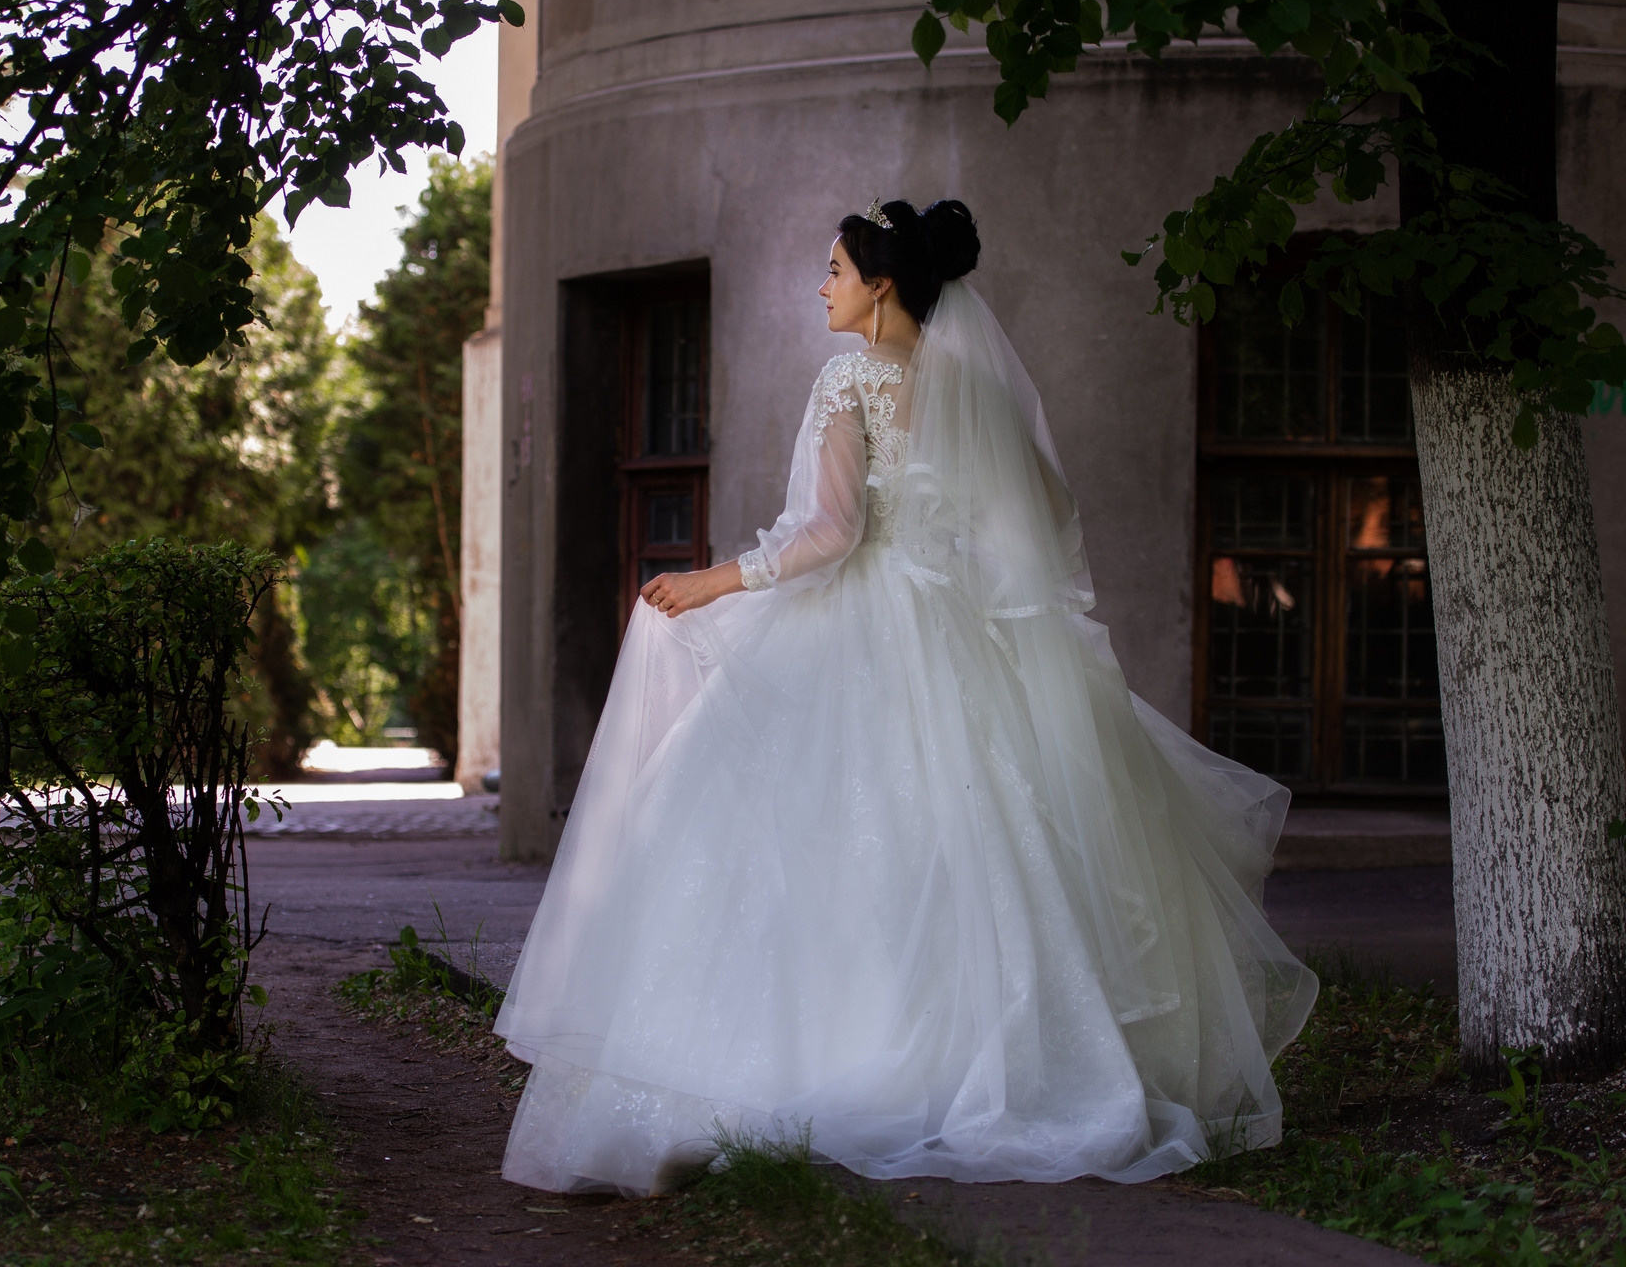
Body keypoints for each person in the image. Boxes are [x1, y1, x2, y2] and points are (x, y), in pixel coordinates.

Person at [493, 199, 1317, 1196]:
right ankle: (994, 1067)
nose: (820, 285)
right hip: (965, 628)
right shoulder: (976, 386)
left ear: (878, 286)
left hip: (863, 623)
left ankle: (813, 1061)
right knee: (991, 846)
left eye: (833, 269)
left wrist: (716, 578)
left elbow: (832, 536)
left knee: (798, 840)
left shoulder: (849, 378)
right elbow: (1046, 517)